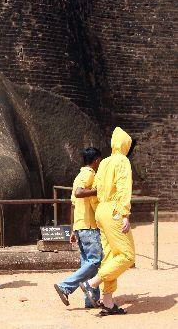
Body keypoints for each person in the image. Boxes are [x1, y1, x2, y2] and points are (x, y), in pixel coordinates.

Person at [79, 127, 136, 316]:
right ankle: (91, 283)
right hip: (114, 210)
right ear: (125, 144)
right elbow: (123, 188)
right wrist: (124, 213)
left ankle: (108, 301)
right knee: (127, 256)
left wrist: (100, 213)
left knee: (110, 257)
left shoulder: (103, 163)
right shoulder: (122, 161)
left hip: (102, 210)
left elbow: (95, 188)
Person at [53, 147, 102, 308]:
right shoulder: (89, 174)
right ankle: (65, 286)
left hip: (81, 226)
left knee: (87, 263)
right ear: (96, 161)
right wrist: (98, 191)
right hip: (88, 226)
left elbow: (73, 205)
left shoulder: (79, 176)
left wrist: (73, 228)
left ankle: (91, 299)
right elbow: (79, 193)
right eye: (99, 161)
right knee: (95, 261)